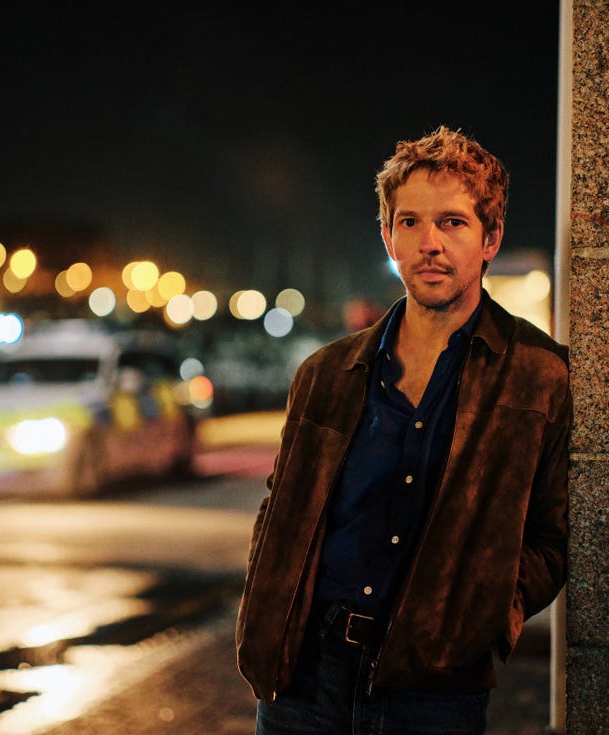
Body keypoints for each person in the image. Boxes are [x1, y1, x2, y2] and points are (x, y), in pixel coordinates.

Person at [236, 125, 572, 734]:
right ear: (389, 236)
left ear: (491, 238)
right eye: (410, 222)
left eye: (452, 222)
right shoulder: (325, 373)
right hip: (303, 680)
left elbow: (553, 536)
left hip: (434, 690)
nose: (429, 243)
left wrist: (482, 616)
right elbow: (279, 510)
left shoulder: (538, 375)